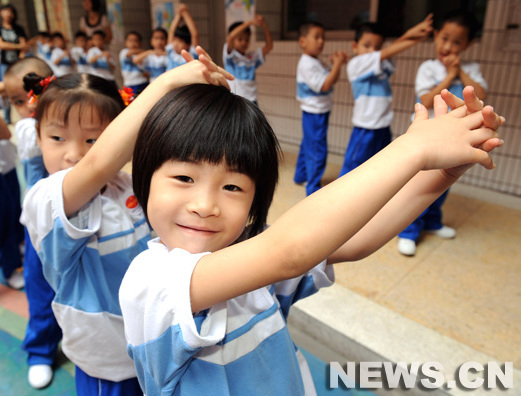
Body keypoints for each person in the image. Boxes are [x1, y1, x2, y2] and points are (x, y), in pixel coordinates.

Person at [116, 49, 503, 395]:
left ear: (255, 201)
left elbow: (356, 238)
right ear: (145, 178)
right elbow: (291, 251)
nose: (205, 205)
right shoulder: (152, 283)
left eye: (232, 186)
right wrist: (412, 149)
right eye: (184, 178)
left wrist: (442, 174)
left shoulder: (248, 255)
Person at [19, 72, 151, 396]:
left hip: (147, 346)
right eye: (57, 138)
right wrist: (165, 84)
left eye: (93, 140)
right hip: (104, 358)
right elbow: (92, 170)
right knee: (40, 299)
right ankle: (39, 350)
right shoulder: (45, 197)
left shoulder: (129, 186)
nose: (74, 154)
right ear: (38, 137)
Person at [397, 9, 488, 256]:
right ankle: (408, 231)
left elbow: (481, 93)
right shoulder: (427, 67)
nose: (447, 46)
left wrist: (460, 72)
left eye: (457, 42)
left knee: (443, 184)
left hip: (454, 140)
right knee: (420, 186)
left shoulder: (471, 68)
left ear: (468, 44)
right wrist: (449, 76)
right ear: (435, 36)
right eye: (444, 38)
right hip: (427, 138)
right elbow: (425, 99)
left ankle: (433, 222)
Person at [4, 57, 62, 389]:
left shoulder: (75, 116)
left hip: (82, 223)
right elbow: (32, 131)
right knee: (40, 290)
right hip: (41, 229)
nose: (28, 104)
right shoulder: (29, 128)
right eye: (16, 100)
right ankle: (40, 351)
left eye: (35, 91)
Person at [339, 15, 433, 177]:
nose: (372, 51)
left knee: (382, 164)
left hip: (383, 126)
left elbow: (385, 54)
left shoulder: (382, 62)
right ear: (355, 46)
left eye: (378, 47)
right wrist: (414, 38)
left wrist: (409, 34)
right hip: (365, 127)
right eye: (367, 45)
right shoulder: (356, 65)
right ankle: (340, 199)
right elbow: (386, 53)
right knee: (353, 166)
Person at [294, 21, 348, 196]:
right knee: (317, 149)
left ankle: (301, 175)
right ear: (303, 42)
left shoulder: (316, 61)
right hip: (315, 113)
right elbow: (325, 85)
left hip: (317, 111)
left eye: (322, 38)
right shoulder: (307, 64)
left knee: (308, 145)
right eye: (316, 37)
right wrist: (338, 64)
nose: (321, 42)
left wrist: (336, 65)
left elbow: (331, 79)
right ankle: (313, 188)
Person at [223, 14, 273, 104]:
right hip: (235, 101)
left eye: (247, 39)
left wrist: (264, 26)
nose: (244, 42)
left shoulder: (252, 57)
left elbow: (269, 46)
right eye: (240, 39)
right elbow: (231, 36)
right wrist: (249, 23)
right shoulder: (230, 56)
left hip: (252, 101)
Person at [0, 114, 24, 289]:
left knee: (13, 209)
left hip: (6, 164)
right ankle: (10, 266)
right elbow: (6, 133)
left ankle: (18, 245)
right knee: (5, 216)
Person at [0, 3, 28, 124]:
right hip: (4, 63)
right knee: (6, 90)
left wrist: (21, 53)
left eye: (10, 11)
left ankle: (26, 113)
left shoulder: (18, 28)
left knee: (22, 88)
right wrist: (17, 46)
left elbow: (25, 45)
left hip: (18, 64)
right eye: (6, 11)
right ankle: (7, 117)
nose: (8, 14)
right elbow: (1, 45)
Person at [166, 3, 199, 71]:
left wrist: (185, 13)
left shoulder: (192, 54)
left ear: (188, 45)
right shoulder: (171, 52)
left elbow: (194, 34)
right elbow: (171, 31)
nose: (176, 43)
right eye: (175, 40)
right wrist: (178, 14)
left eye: (180, 41)